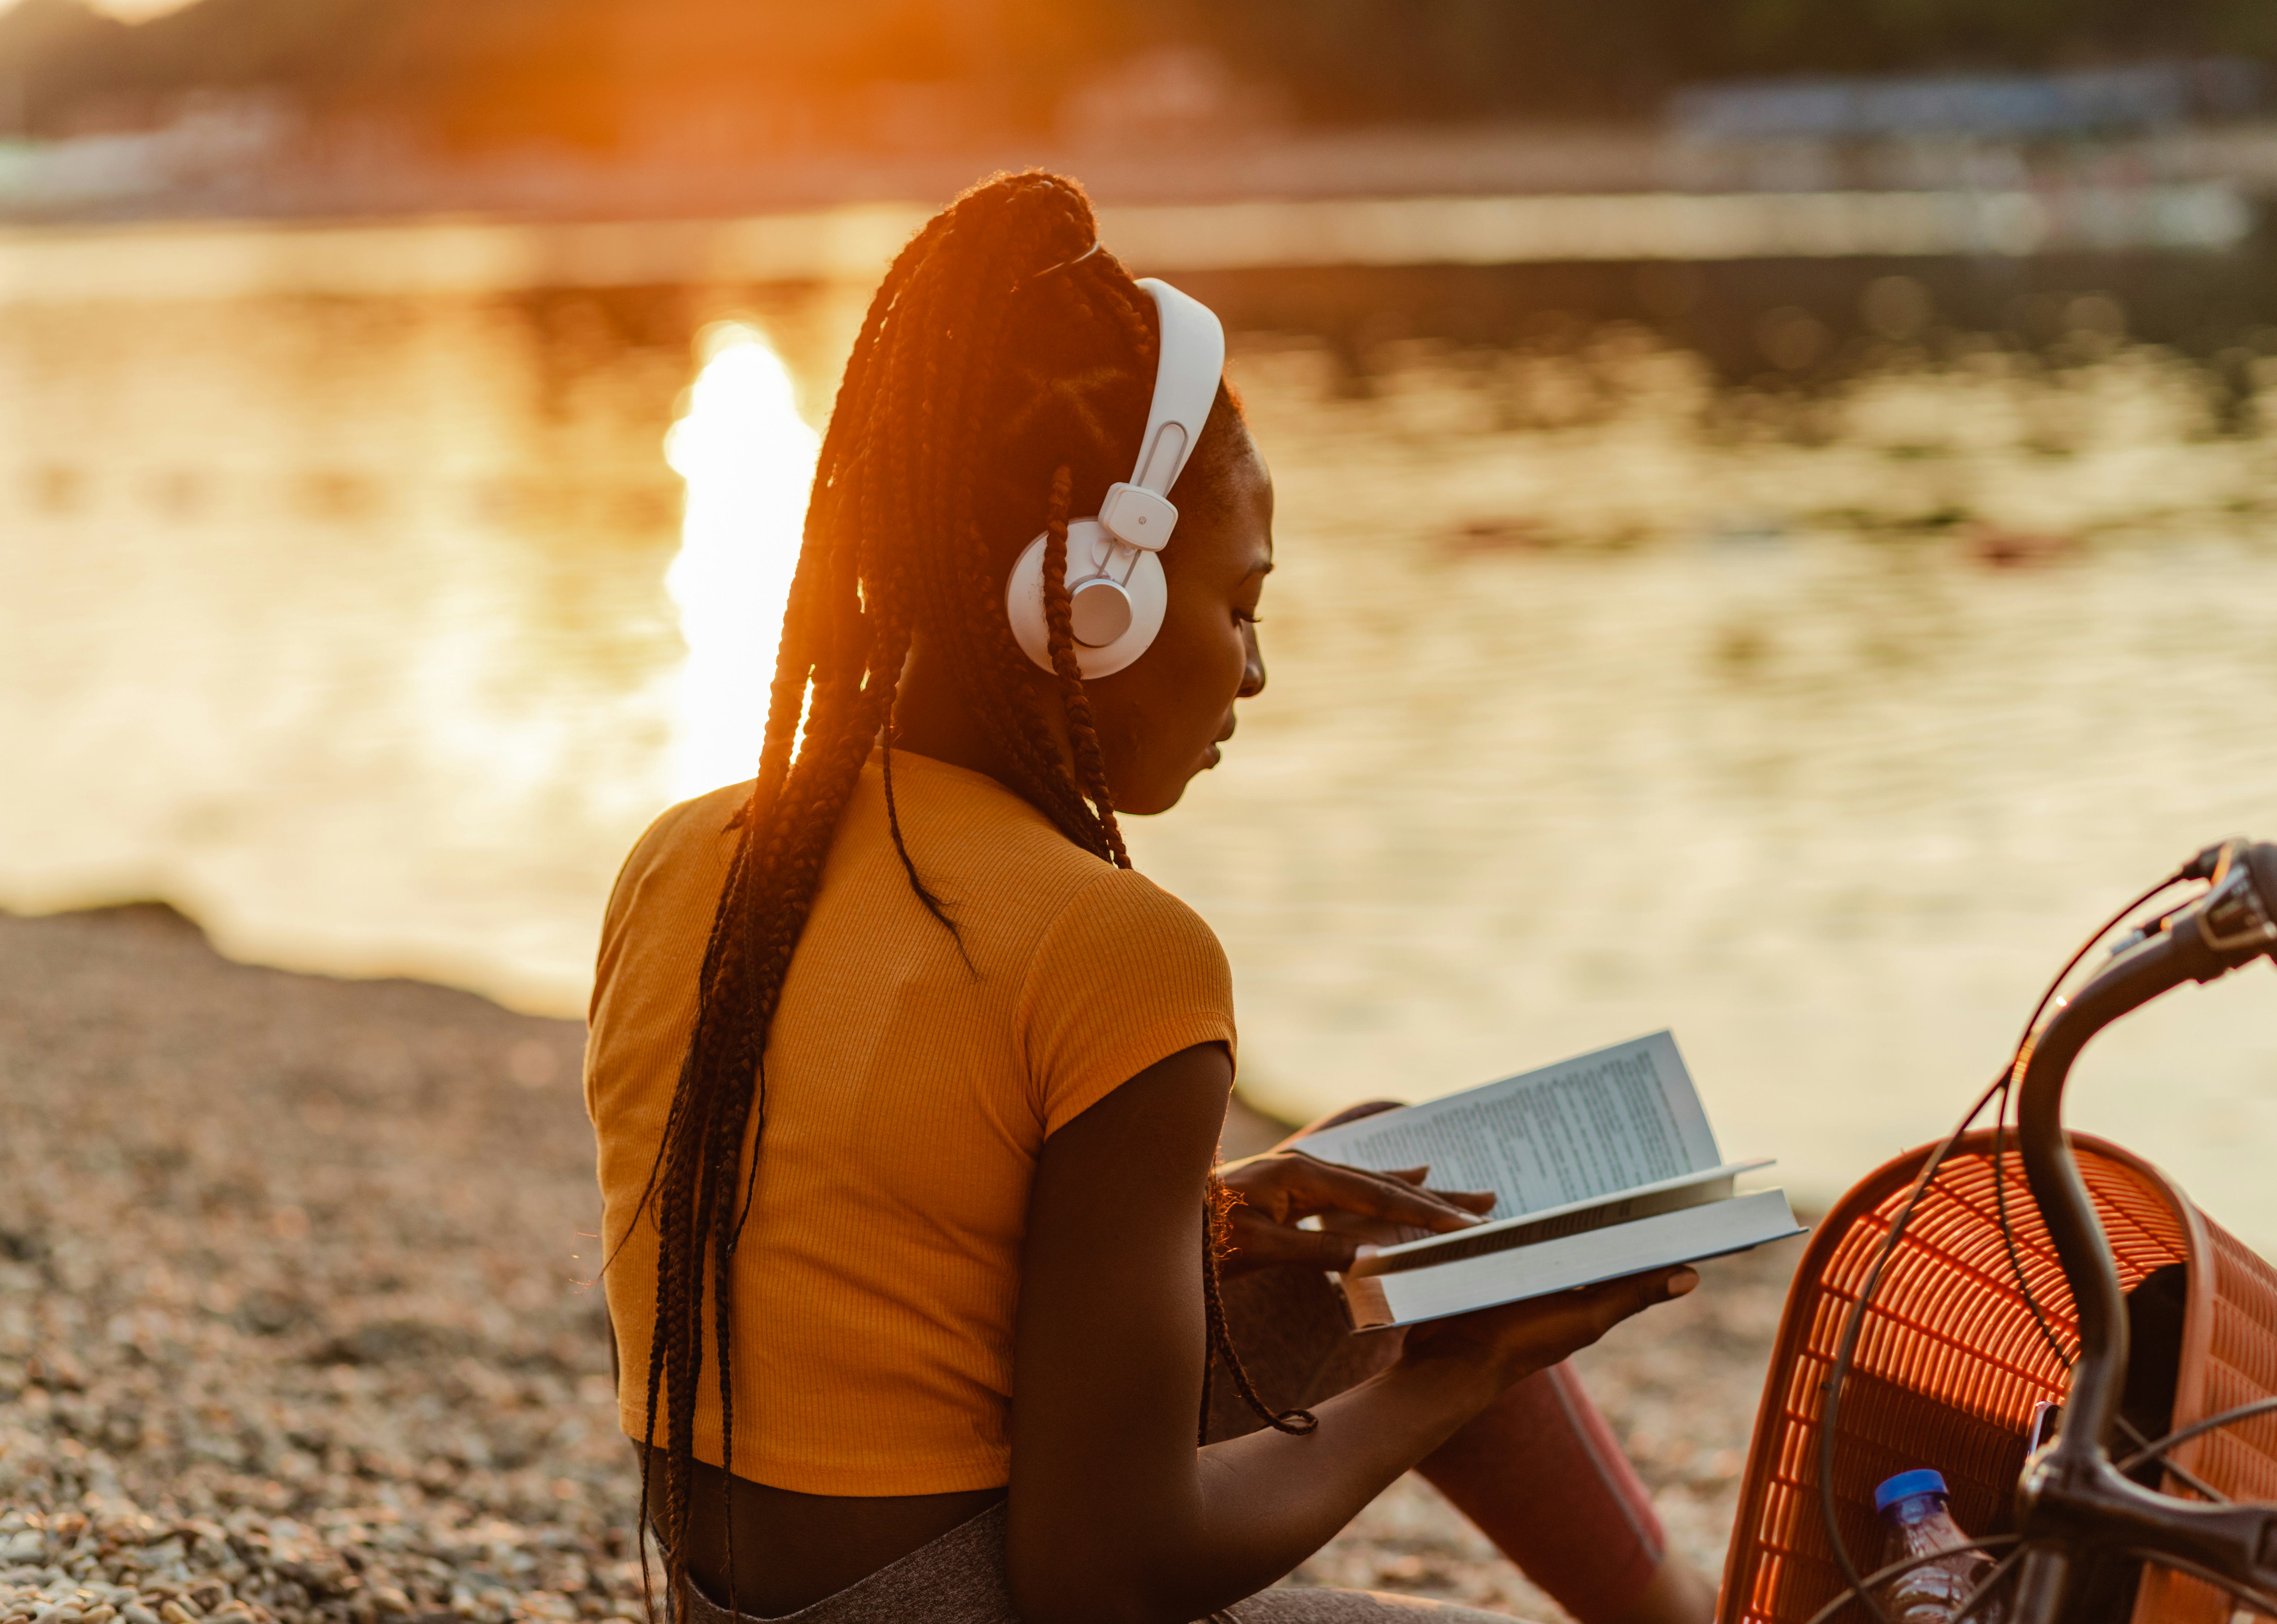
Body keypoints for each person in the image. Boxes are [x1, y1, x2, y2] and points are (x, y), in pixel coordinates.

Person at [585, 171, 1715, 1624]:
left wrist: (1229, 1219)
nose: (1252, 672)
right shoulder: (1118, 951)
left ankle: (1695, 1611)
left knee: (1393, 1180)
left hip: (734, 1602)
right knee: (1455, 1293)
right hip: (959, 1603)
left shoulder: (688, 850)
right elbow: (1103, 1574)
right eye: (1238, 607)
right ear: (1091, 599)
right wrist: (1461, 1374)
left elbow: (865, 1249)